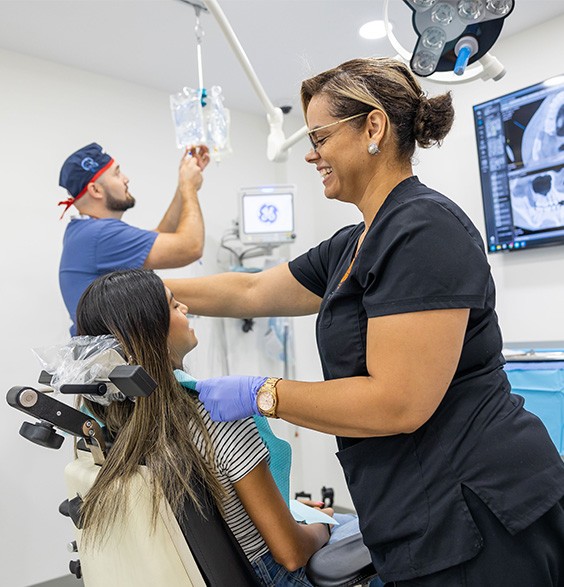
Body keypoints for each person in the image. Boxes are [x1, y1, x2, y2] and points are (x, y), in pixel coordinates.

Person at [164, 57, 564, 586]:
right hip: (414, 506)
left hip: (480, 509)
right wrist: (152, 290)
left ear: (373, 127)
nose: (311, 154)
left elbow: (398, 402)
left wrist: (264, 392)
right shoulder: (354, 243)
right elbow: (252, 288)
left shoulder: (423, 228)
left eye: (320, 136)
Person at [74, 268, 335, 587]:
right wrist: (324, 527)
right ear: (152, 331)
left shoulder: (117, 427)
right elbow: (291, 553)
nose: (184, 307)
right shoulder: (219, 412)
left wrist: (291, 513)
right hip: (270, 574)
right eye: (172, 305)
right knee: (359, 530)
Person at [58, 142, 210, 335]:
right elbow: (191, 247)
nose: (126, 179)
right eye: (117, 173)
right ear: (96, 190)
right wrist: (189, 187)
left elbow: (160, 236)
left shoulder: (84, 232)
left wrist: (183, 184)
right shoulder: (100, 235)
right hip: (114, 358)